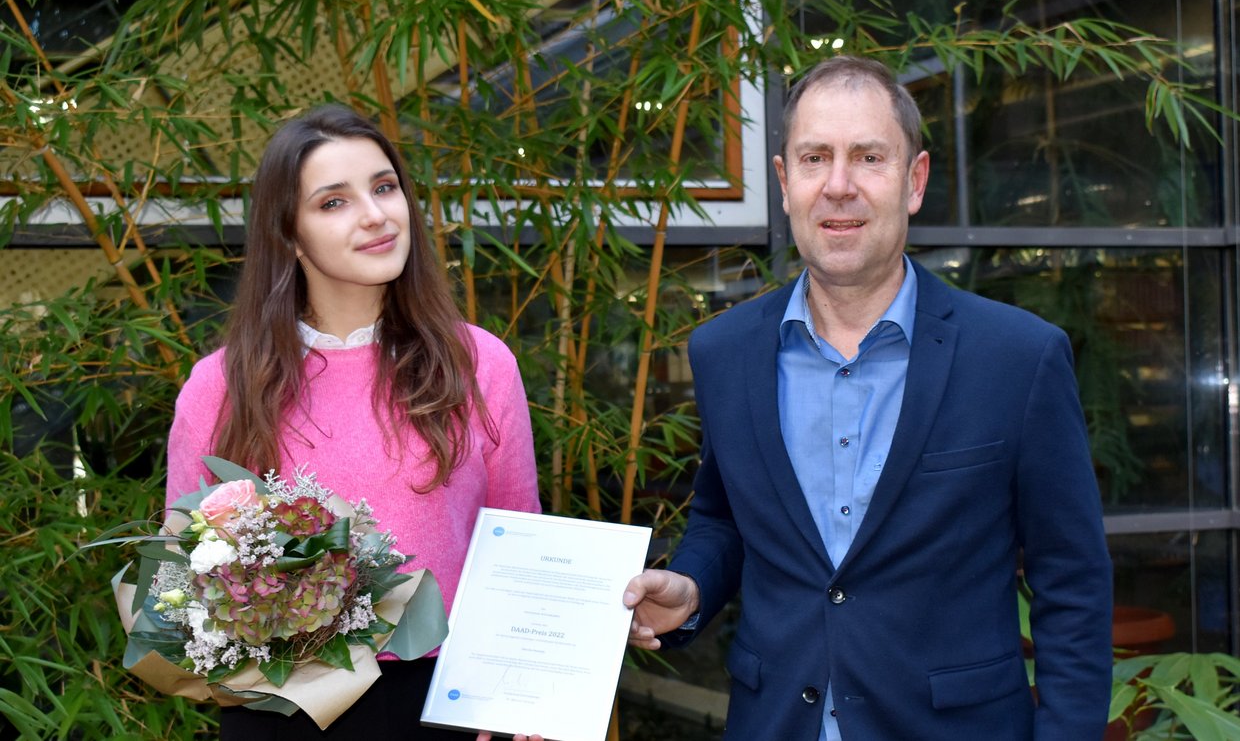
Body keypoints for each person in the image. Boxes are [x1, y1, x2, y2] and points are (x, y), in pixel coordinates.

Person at [622, 56, 1113, 740]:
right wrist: (693, 585)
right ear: (784, 181)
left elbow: (1073, 583)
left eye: (869, 157)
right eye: (815, 157)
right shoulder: (723, 352)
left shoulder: (1017, 358)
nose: (839, 186)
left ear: (914, 181)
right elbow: (724, 517)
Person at [166, 105, 543, 740]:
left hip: (448, 704)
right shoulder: (223, 384)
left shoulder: (478, 363)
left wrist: (526, 686)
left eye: (385, 187)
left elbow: (518, 540)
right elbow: (182, 570)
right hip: (279, 707)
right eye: (333, 202)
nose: (375, 215)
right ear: (289, 234)